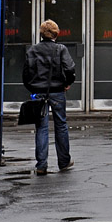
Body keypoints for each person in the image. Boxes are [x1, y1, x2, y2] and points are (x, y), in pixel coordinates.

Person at [23, 19, 76, 175]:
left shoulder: (32, 50)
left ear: (41, 33)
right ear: (56, 33)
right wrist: (67, 83)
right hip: (57, 91)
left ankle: (41, 165)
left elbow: (26, 74)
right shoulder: (61, 49)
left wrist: (32, 88)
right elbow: (70, 68)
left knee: (41, 127)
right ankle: (64, 161)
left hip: (38, 92)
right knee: (61, 125)